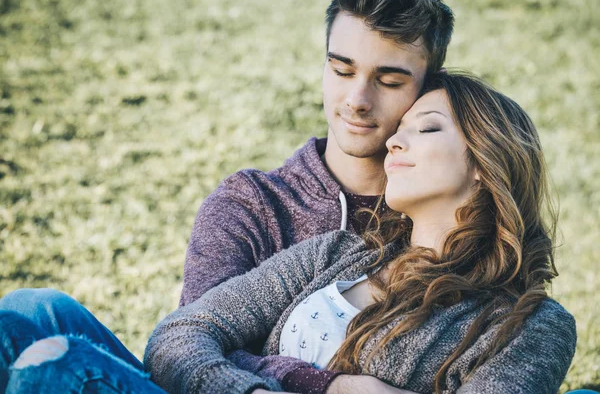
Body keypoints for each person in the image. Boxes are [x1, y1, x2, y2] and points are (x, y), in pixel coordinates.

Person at [0, 0, 455, 393]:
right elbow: (184, 348)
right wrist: (332, 385)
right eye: (341, 69)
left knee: (54, 365)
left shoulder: (441, 212)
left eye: (389, 81)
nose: (357, 98)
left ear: (431, 91)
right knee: (31, 309)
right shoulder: (252, 202)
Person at [144, 72, 577, 394]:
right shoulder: (335, 253)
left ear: (485, 164)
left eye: (426, 128)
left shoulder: (531, 325)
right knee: (70, 316)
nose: (393, 143)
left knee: (75, 363)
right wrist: (321, 386)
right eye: (398, 131)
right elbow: (179, 333)